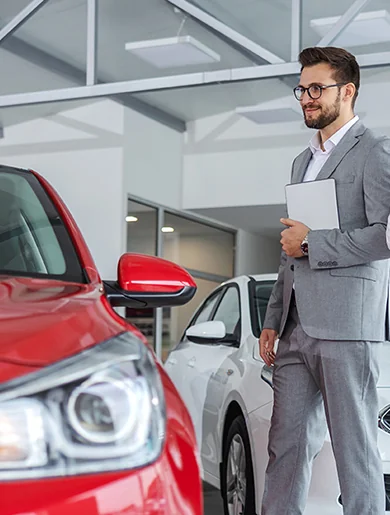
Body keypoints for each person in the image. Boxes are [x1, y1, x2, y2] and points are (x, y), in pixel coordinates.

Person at [259, 46, 390, 515]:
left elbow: (384, 237)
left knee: (354, 453)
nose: (306, 98)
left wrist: (315, 244)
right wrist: (274, 317)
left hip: (345, 327)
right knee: (285, 449)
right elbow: (291, 246)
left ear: (347, 91)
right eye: (302, 89)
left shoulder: (375, 152)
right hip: (296, 327)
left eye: (317, 88)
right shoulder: (302, 161)